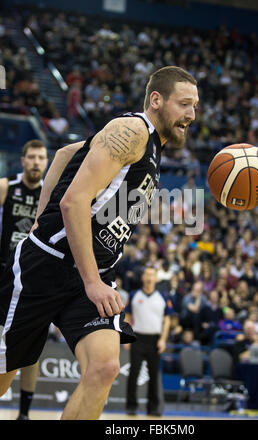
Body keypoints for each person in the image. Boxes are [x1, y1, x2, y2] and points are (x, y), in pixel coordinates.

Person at [0, 66, 199, 420]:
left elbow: (64, 154)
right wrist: (43, 226)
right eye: (184, 104)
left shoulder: (153, 146)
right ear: (156, 100)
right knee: (2, 377)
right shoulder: (132, 130)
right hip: (47, 264)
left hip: (92, 271)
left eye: (195, 107)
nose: (191, 115)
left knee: (105, 368)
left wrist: (91, 276)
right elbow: (73, 201)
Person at [0, 139, 48, 420]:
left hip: (35, 279)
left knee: (31, 349)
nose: (36, 162)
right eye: (31, 157)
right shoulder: (7, 187)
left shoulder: (51, 192)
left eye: (41, 158)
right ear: (23, 160)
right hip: (5, 272)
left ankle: (25, 414)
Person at [125, 266, 173, 416]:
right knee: (133, 373)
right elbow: (127, 317)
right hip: (137, 338)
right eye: (146, 274)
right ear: (142, 277)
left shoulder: (163, 297)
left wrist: (163, 339)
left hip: (155, 340)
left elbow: (167, 320)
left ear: (156, 279)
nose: (149, 277)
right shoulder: (134, 295)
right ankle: (131, 406)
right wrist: (126, 337)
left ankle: (153, 407)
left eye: (152, 274)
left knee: (154, 375)